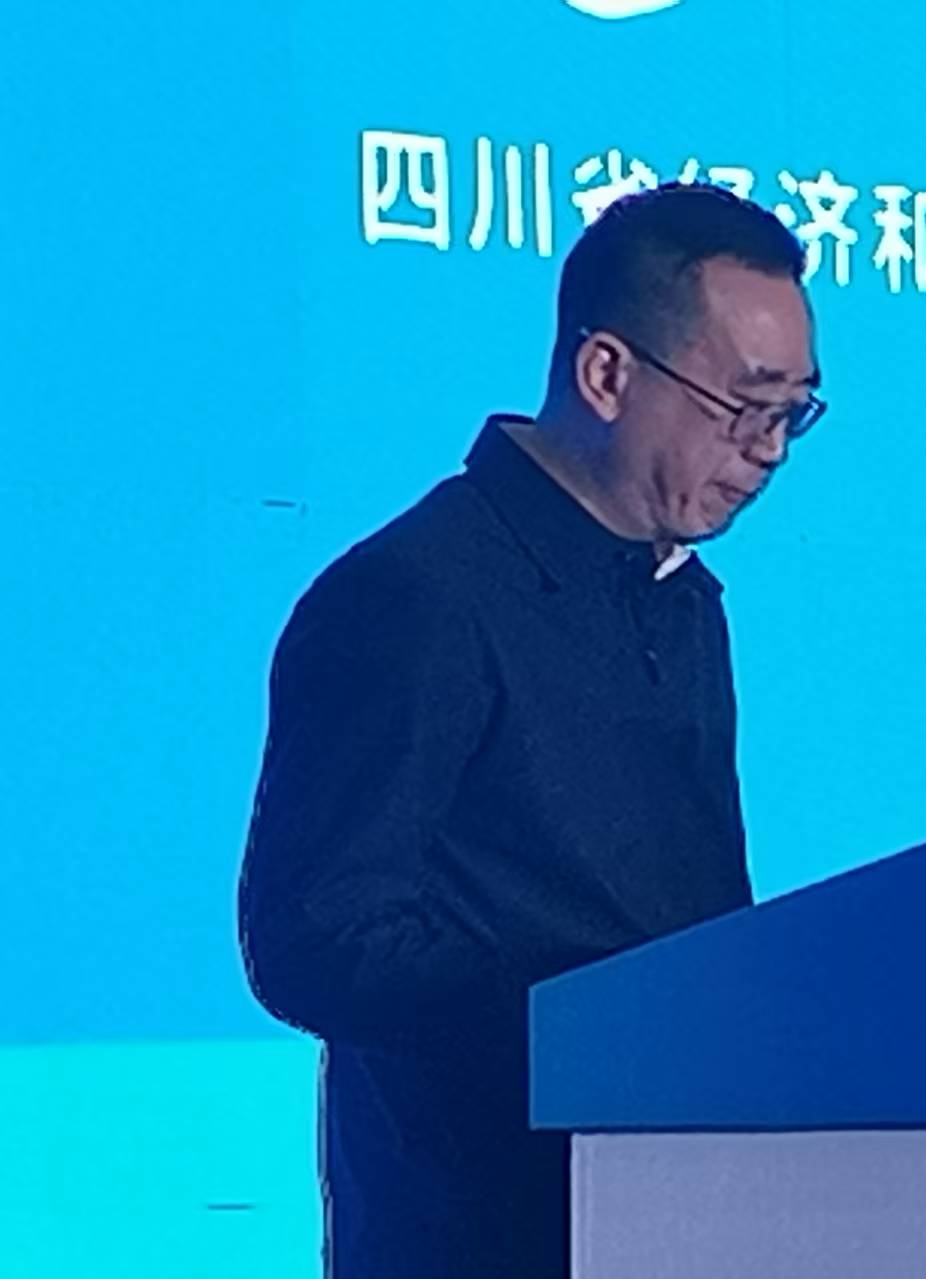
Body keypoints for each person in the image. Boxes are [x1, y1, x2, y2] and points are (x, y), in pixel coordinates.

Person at [237, 182, 823, 1279]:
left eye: (794, 411)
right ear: (605, 373)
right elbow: (316, 939)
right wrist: (596, 1015)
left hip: (686, 1218)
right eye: (744, 406)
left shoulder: (684, 603)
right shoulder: (414, 594)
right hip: (483, 1229)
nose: (769, 450)